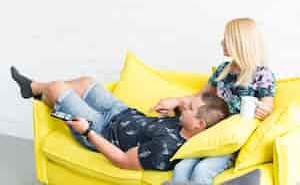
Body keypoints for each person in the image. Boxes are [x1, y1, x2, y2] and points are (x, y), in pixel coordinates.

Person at [10, 66, 229, 171]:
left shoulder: (165, 149)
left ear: (199, 124)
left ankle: (37, 90)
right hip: (120, 111)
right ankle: (36, 90)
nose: (185, 105)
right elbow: (179, 108)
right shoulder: (186, 123)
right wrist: (174, 105)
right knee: (86, 81)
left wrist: (88, 132)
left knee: (58, 87)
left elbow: (123, 161)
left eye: (189, 107)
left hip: (102, 129)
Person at [155, 18, 276, 184]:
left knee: (202, 171)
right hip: (210, 136)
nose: (222, 42)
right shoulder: (223, 69)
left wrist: (265, 110)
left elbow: (268, 106)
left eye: (226, 38)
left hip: (230, 142)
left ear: (238, 42)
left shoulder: (262, 74)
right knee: (181, 168)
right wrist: (175, 101)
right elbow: (200, 96)